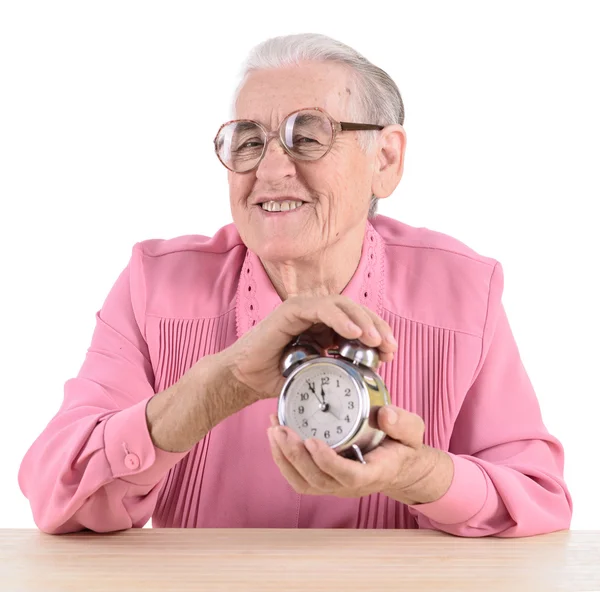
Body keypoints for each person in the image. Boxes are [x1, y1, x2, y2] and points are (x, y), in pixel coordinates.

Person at [19, 33, 572, 537]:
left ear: (385, 158)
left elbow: (539, 500)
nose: (271, 168)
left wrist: (419, 474)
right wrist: (218, 388)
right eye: (248, 141)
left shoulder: (464, 290)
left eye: (307, 137)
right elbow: (55, 495)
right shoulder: (154, 285)